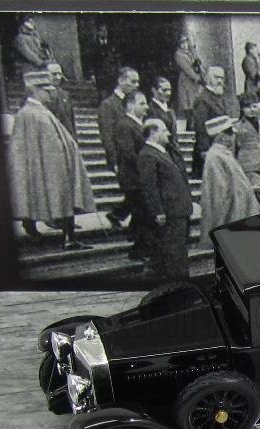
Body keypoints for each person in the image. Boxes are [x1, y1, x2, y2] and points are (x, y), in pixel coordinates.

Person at [7, 71, 95, 250]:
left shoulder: (40, 111)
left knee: (65, 200)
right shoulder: (30, 113)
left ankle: (69, 237)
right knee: (62, 200)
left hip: (57, 166)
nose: (51, 93)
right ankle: (68, 239)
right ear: (35, 90)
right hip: (52, 168)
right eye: (47, 90)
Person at [137, 118, 193, 281]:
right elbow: (150, 187)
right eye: (164, 130)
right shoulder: (147, 155)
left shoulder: (163, 152)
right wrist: (158, 211)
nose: (168, 134)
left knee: (178, 251)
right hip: (169, 212)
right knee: (174, 253)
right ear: (153, 133)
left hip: (178, 210)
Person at [199, 115, 260, 249]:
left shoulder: (224, 154)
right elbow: (220, 195)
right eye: (229, 133)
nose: (233, 136)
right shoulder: (216, 157)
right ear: (220, 136)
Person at [97, 66, 140, 227]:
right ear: (121, 81)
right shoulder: (108, 105)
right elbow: (107, 135)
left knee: (136, 191)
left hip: (134, 154)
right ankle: (122, 218)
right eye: (133, 81)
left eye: (137, 82)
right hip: (122, 157)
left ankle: (118, 215)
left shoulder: (132, 101)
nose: (136, 85)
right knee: (135, 191)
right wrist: (113, 160)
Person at [114, 90, 150, 259]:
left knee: (140, 212)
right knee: (141, 211)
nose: (146, 107)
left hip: (139, 176)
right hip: (133, 176)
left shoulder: (139, 124)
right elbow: (128, 153)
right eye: (142, 103)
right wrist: (145, 166)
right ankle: (138, 249)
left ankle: (139, 246)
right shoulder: (124, 125)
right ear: (130, 105)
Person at [191, 66, 231, 178]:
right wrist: (204, 149)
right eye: (216, 77)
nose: (220, 81)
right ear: (208, 79)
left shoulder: (219, 97)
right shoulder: (203, 98)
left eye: (222, 78)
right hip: (209, 149)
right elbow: (200, 126)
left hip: (221, 147)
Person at [233, 93, 260, 195]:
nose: (251, 109)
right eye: (247, 107)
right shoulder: (237, 127)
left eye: (254, 106)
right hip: (248, 167)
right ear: (242, 109)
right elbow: (234, 149)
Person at [86, 22, 121, 101]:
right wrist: (92, 74)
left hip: (111, 75)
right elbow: (90, 61)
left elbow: (116, 59)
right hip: (100, 75)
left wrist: (116, 70)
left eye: (105, 31)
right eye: (102, 31)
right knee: (102, 94)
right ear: (98, 32)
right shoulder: (93, 46)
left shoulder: (112, 45)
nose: (104, 33)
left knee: (111, 93)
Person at [174, 35, 202, 129]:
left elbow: (196, 64)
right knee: (188, 104)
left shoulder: (190, 53)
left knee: (194, 103)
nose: (184, 45)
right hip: (185, 81)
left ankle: (193, 125)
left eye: (186, 42)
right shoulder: (178, 54)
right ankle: (190, 125)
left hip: (192, 82)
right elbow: (186, 69)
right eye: (182, 43)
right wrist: (197, 78)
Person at [43, 62, 75, 136]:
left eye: (59, 74)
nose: (57, 77)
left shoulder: (65, 95)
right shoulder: (40, 95)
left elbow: (70, 120)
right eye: (54, 74)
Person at [147, 76, 178, 144]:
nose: (168, 93)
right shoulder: (150, 110)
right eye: (164, 90)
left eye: (169, 90)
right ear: (154, 90)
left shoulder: (170, 110)